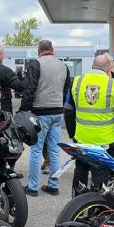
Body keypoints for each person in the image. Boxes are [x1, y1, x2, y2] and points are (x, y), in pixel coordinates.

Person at [66, 54, 114, 193]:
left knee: (81, 170)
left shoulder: (77, 81)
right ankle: (96, 203)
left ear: (92, 66)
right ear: (109, 68)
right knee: (100, 176)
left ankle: (78, 201)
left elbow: (68, 111)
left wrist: (72, 133)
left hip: (82, 139)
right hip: (105, 141)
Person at [21, 40, 72, 196]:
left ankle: (32, 187)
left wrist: (24, 110)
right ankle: (53, 186)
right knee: (54, 150)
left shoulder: (35, 64)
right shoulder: (63, 66)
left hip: (40, 113)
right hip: (57, 113)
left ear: (39, 51)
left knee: (36, 150)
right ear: (52, 50)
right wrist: (59, 103)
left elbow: (29, 89)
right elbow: (67, 89)